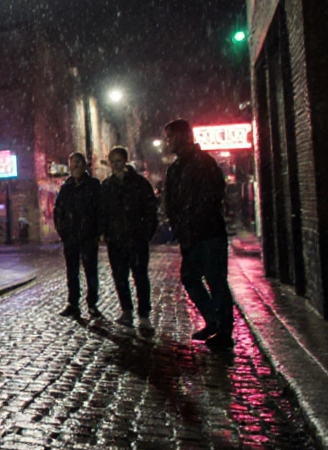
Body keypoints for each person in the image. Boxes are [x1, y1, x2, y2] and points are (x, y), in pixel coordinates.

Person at [163, 119, 234, 350]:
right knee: (190, 277)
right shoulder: (176, 167)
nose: (167, 142)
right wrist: (179, 225)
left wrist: (192, 220)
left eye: (170, 137)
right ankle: (214, 320)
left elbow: (211, 196)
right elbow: (171, 201)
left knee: (215, 279)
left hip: (209, 233)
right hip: (190, 235)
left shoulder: (203, 163)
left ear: (183, 137)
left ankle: (223, 329)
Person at [99, 146, 159, 334]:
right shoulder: (107, 186)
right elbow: (102, 212)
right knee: (120, 276)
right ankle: (126, 311)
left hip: (136, 238)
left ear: (125, 161)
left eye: (118, 161)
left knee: (140, 276)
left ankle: (144, 315)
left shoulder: (140, 184)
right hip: (116, 240)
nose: (116, 165)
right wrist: (106, 232)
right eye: (113, 161)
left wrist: (145, 233)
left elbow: (150, 210)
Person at [53, 152, 103, 319]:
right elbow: (58, 210)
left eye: (78, 163)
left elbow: (100, 210)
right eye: (72, 163)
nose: (75, 167)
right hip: (71, 237)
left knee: (90, 271)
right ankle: (73, 303)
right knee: (72, 271)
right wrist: (64, 231)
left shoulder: (93, 185)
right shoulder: (66, 187)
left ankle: (92, 304)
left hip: (88, 236)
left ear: (84, 165)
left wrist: (96, 231)